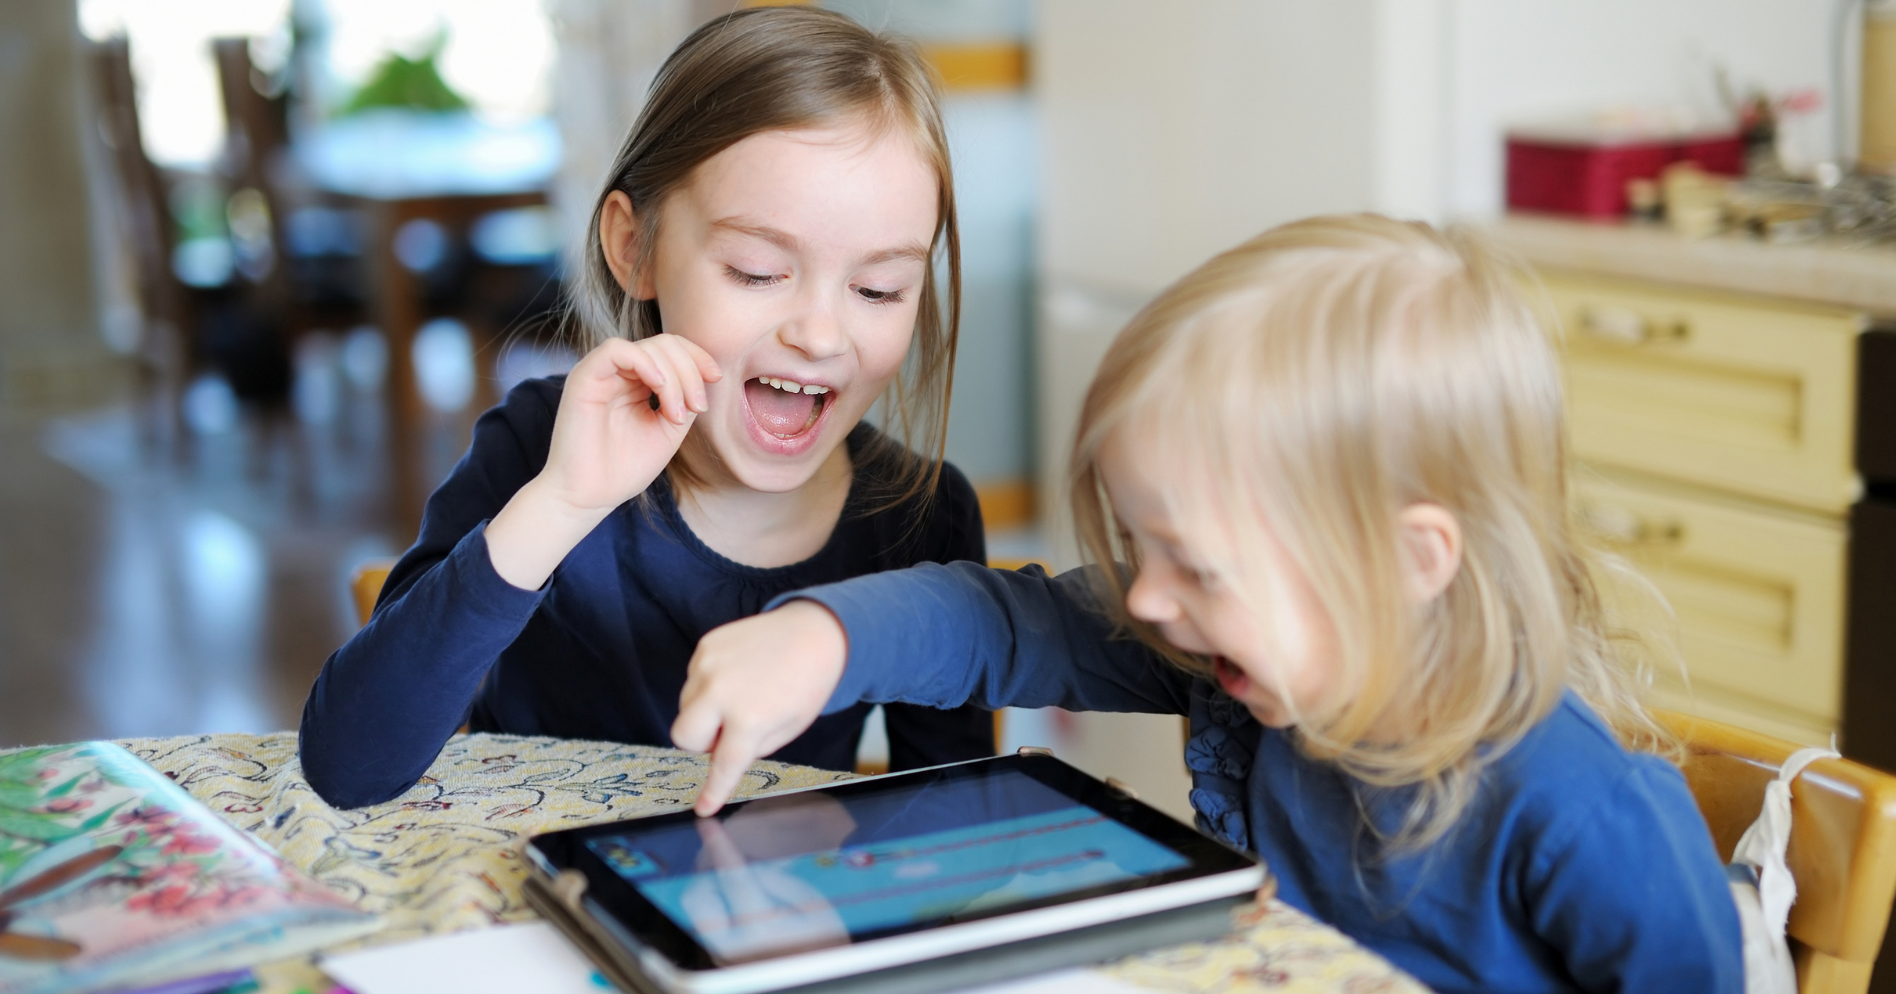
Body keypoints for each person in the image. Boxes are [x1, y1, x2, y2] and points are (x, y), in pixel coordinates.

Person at [672, 216, 1743, 993]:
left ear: (1410, 561)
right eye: (1140, 548)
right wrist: (822, 637)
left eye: (1197, 565)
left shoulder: (1581, 813)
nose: (1147, 595)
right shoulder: (1231, 664)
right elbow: (1007, 625)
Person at [299, 6, 995, 810]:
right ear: (636, 248)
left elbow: (948, 822)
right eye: (760, 271)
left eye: (879, 289)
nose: (820, 333)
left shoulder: (924, 518)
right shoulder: (540, 449)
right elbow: (346, 767)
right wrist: (558, 504)